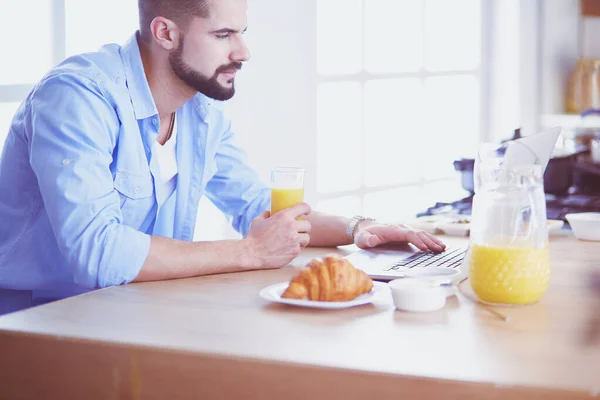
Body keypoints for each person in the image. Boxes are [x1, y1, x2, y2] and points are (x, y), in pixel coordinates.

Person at [0, 0, 445, 315]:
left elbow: (257, 208)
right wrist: (250, 252)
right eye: (223, 34)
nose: (243, 52)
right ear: (165, 33)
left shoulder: (201, 110)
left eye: (242, 33)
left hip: (134, 313)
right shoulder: (78, 98)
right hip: (38, 324)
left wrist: (358, 228)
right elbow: (97, 254)